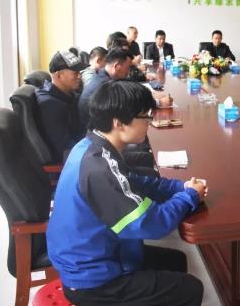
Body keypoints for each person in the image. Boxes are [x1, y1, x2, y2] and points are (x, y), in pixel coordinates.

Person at [47, 80, 206, 306]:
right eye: (145, 117)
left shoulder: (92, 146)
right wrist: (189, 197)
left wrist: (180, 187)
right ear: (119, 123)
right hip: (92, 280)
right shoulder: (99, 169)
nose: (149, 122)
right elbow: (152, 224)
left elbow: (134, 183)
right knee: (190, 288)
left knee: (176, 261)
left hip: (95, 254)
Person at [36, 50, 87, 163]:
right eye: (75, 73)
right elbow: (65, 148)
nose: (80, 76)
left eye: (80, 72)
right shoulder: (50, 104)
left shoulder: (68, 95)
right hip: (71, 161)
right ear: (58, 74)